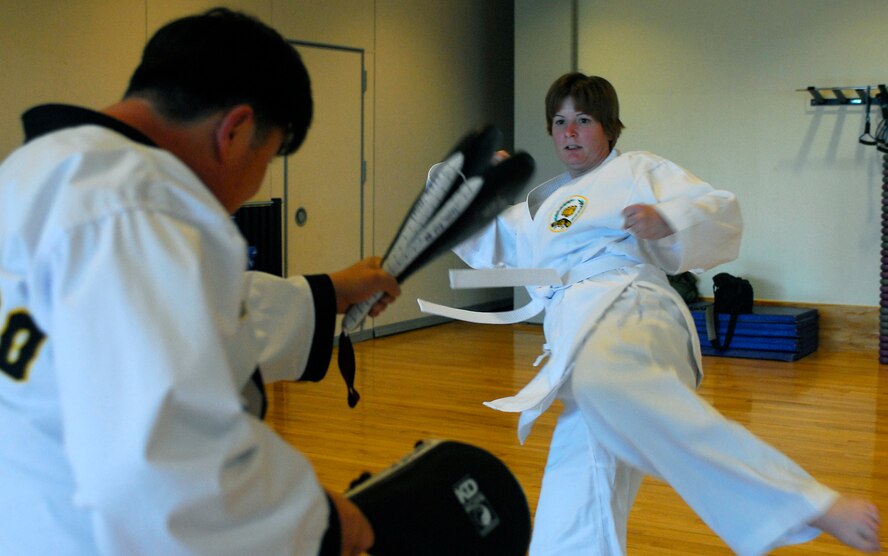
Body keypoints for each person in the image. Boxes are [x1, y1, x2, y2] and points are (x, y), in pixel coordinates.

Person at [0, 8, 400, 555]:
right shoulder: (144, 207)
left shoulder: (34, 172)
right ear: (234, 131)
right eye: (267, 158)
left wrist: (328, 291)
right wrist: (323, 523)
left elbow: (138, 330)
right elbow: (169, 468)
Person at [449, 73, 881, 554]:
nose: (569, 131)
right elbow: (487, 243)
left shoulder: (637, 169)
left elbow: (717, 209)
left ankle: (806, 503)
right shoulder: (544, 207)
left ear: (610, 128)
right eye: (560, 121)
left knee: (601, 383)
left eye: (584, 120)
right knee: (575, 498)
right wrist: (474, 183)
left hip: (632, 310)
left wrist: (667, 220)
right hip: (577, 338)